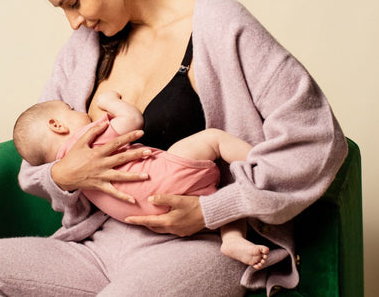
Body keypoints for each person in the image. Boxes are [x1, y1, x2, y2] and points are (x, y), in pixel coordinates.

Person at [0, 0, 348, 296]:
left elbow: (317, 141)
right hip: (97, 247)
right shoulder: (86, 45)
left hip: (200, 247)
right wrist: (66, 174)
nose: (74, 20)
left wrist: (212, 209)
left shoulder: (222, 27)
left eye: (74, 2)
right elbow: (39, 157)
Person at [13, 90, 270, 269]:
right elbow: (133, 119)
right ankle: (266, 164)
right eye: (70, 110)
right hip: (163, 177)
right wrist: (110, 101)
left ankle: (232, 240)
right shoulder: (88, 138)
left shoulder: (71, 173)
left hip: (148, 215)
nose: (79, 110)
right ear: (58, 125)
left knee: (218, 205)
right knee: (213, 139)